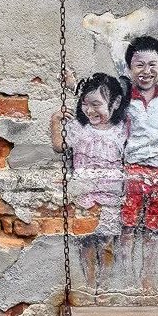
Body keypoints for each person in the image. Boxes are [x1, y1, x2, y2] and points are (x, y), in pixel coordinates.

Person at [113, 35, 158, 290]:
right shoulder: (125, 101)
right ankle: (126, 275)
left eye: (152, 65)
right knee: (128, 223)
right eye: (140, 65)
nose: (146, 71)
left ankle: (147, 277)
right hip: (132, 168)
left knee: (153, 225)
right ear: (130, 68)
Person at [50, 72, 129, 295]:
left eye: (96, 104)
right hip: (84, 195)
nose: (89, 110)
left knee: (107, 241)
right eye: (85, 104)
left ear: (115, 103)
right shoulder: (79, 128)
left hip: (111, 196)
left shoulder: (121, 129)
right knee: (86, 241)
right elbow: (59, 146)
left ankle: (104, 286)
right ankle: (89, 284)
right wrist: (55, 121)